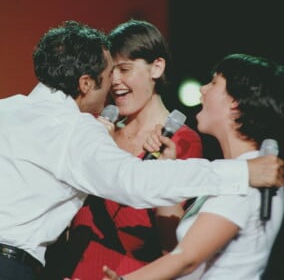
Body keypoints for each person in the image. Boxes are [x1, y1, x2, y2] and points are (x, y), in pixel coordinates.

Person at [0, 19, 282, 280]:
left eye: (122, 70)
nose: (112, 86)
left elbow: (181, 252)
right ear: (86, 83)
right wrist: (242, 171)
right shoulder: (76, 129)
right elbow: (134, 181)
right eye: (108, 75)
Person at [102, 53, 284, 280]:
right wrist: (165, 171)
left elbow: (187, 258)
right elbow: (175, 247)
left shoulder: (250, 178)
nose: (202, 89)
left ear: (235, 101)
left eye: (214, 82)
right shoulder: (233, 174)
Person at [66, 19, 203, 280]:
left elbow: (172, 240)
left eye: (125, 69)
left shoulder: (182, 141)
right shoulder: (97, 129)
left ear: (157, 67)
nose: (114, 81)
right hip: (73, 270)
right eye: (110, 71)